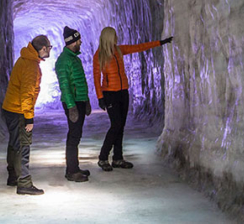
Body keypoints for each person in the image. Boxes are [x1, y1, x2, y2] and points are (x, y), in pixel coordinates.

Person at [93, 27, 173, 170]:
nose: (116, 38)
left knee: (121, 126)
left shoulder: (118, 50)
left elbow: (138, 47)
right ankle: (103, 157)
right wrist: (100, 97)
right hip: (110, 94)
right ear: (109, 37)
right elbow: (96, 78)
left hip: (123, 92)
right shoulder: (99, 55)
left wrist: (160, 43)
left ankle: (118, 158)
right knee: (115, 125)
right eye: (114, 36)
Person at [2, 35, 53, 195]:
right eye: (49, 48)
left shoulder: (24, 59)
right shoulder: (31, 65)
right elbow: (26, 95)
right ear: (43, 48)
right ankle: (23, 182)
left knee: (14, 143)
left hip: (10, 108)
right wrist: (29, 117)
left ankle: (13, 176)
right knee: (23, 145)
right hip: (18, 111)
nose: (49, 50)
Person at [54, 26, 92, 182]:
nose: (80, 42)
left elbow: (80, 82)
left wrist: (86, 100)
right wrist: (71, 106)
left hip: (79, 101)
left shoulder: (74, 58)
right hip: (73, 102)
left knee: (77, 135)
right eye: (78, 40)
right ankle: (71, 171)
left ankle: (74, 167)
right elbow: (65, 85)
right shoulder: (63, 61)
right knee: (73, 136)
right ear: (72, 41)